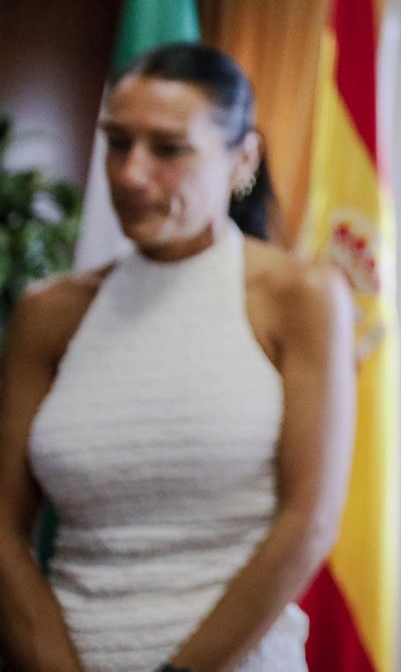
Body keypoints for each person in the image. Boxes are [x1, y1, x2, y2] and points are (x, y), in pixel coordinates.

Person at [0, 43, 355, 672]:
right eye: (117, 143)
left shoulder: (300, 297)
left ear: (242, 158)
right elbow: (4, 530)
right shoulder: (49, 313)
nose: (131, 174)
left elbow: (310, 522)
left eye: (167, 149)